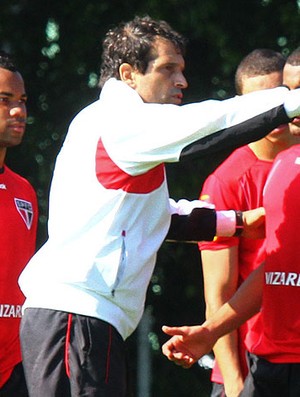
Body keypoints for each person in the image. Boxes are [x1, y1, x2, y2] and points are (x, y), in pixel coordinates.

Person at [18, 15, 300, 396]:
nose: (182, 81)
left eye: (182, 70)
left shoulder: (113, 126)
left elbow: (157, 216)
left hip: (79, 319)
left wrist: (234, 222)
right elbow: (211, 125)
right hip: (76, 318)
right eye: (168, 69)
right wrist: (289, 102)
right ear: (128, 74)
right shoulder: (122, 122)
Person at [162, 47, 300, 397]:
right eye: (261, 104)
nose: (277, 113)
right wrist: (233, 381)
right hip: (257, 365)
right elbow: (226, 290)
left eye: (284, 99)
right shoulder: (229, 180)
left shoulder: (289, 163)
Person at [0, 51, 38, 396]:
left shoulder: (24, 191)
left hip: (15, 366)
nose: (18, 111)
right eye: (4, 100)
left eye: (22, 101)